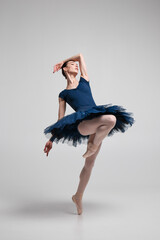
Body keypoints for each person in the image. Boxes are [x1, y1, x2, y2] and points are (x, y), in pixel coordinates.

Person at [43, 53, 135, 215]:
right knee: (110, 119)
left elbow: (80, 55)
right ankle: (92, 145)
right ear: (65, 70)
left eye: (75, 64)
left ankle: (78, 196)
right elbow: (60, 118)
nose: (76, 65)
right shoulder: (63, 94)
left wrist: (63, 60)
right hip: (83, 125)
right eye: (72, 64)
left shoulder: (84, 80)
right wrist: (52, 139)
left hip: (97, 123)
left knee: (89, 164)